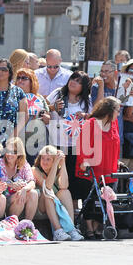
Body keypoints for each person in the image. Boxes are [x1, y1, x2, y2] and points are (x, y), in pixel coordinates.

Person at [75, 97, 121, 239]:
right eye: (117, 111)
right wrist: (84, 162)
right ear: (109, 110)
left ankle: (100, 226)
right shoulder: (90, 124)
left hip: (110, 167)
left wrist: (117, 160)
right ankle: (89, 228)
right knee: (91, 199)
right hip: (92, 166)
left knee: (106, 199)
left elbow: (117, 143)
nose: (118, 114)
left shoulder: (114, 124)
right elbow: (83, 145)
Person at [46, 71, 92, 202]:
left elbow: (94, 117)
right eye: (73, 79)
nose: (73, 82)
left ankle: (71, 208)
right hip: (57, 144)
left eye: (78, 81)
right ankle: (56, 207)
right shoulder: (58, 93)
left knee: (73, 179)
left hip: (77, 146)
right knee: (57, 178)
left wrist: (84, 116)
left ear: (83, 87)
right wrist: (53, 107)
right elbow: (42, 106)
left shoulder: (86, 101)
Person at [32, 145, 83, 241]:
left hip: (54, 205)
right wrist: (55, 164)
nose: (45, 162)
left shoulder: (58, 170)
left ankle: (71, 230)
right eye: (43, 158)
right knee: (48, 192)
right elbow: (48, 186)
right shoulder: (35, 170)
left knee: (65, 192)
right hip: (41, 207)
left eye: (48, 159)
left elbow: (64, 186)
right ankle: (57, 230)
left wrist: (62, 163)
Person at [15, 68, 50, 164]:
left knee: (34, 166)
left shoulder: (39, 98)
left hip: (35, 139)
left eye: (24, 78)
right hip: (17, 137)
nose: (20, 80)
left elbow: (46, 114)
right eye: (18, 78)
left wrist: (47, 118)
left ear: (32, 82)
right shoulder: (12, 97)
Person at [0, 137, 38, 220]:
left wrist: (24, 189)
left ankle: (27, 225)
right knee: (20, 195)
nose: (9, 154)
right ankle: (11, 225)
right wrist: (11, 184)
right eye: (7, 151)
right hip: (2, 201)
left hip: (18, 200)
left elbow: (32, 182)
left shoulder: (24, 164)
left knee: (33, 193)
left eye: (13, 152)